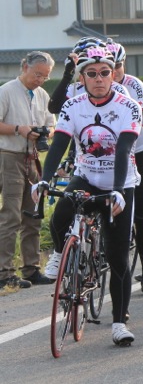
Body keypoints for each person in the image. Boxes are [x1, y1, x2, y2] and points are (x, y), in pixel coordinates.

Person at [33, 46, 140, 345]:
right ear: (82, 77)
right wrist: (43, 180)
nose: (99, 78)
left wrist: (118, 190)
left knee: (118, 256)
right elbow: (60, 145)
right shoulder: (74, 104)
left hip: (120, 181)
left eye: (105, 73)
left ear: (113, 74)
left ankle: (119, 322)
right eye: (91, 74)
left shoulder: (127, 105)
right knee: (62, 213)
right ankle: (59, 252)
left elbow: (123, 149)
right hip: (87, 176)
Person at [0, 51, 56, 290]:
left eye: (45, 76)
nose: (40, 80)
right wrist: (18, 129)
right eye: (37, 74)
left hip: (33, 158)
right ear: (24, 67)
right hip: (9, 157)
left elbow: (53, 125)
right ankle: (4, 272)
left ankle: (31, 268)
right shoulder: (6, 91)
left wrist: (45, 132)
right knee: (11, 215)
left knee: (33, 215)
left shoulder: (42, 95)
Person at [107, 39, 143, 296]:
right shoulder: (94, 83)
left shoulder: (133, 85)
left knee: (140, 216)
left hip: (136, 149)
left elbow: (132, 120)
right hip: (106, 153)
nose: (113, 71)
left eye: (117, 65)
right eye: (108, 66)